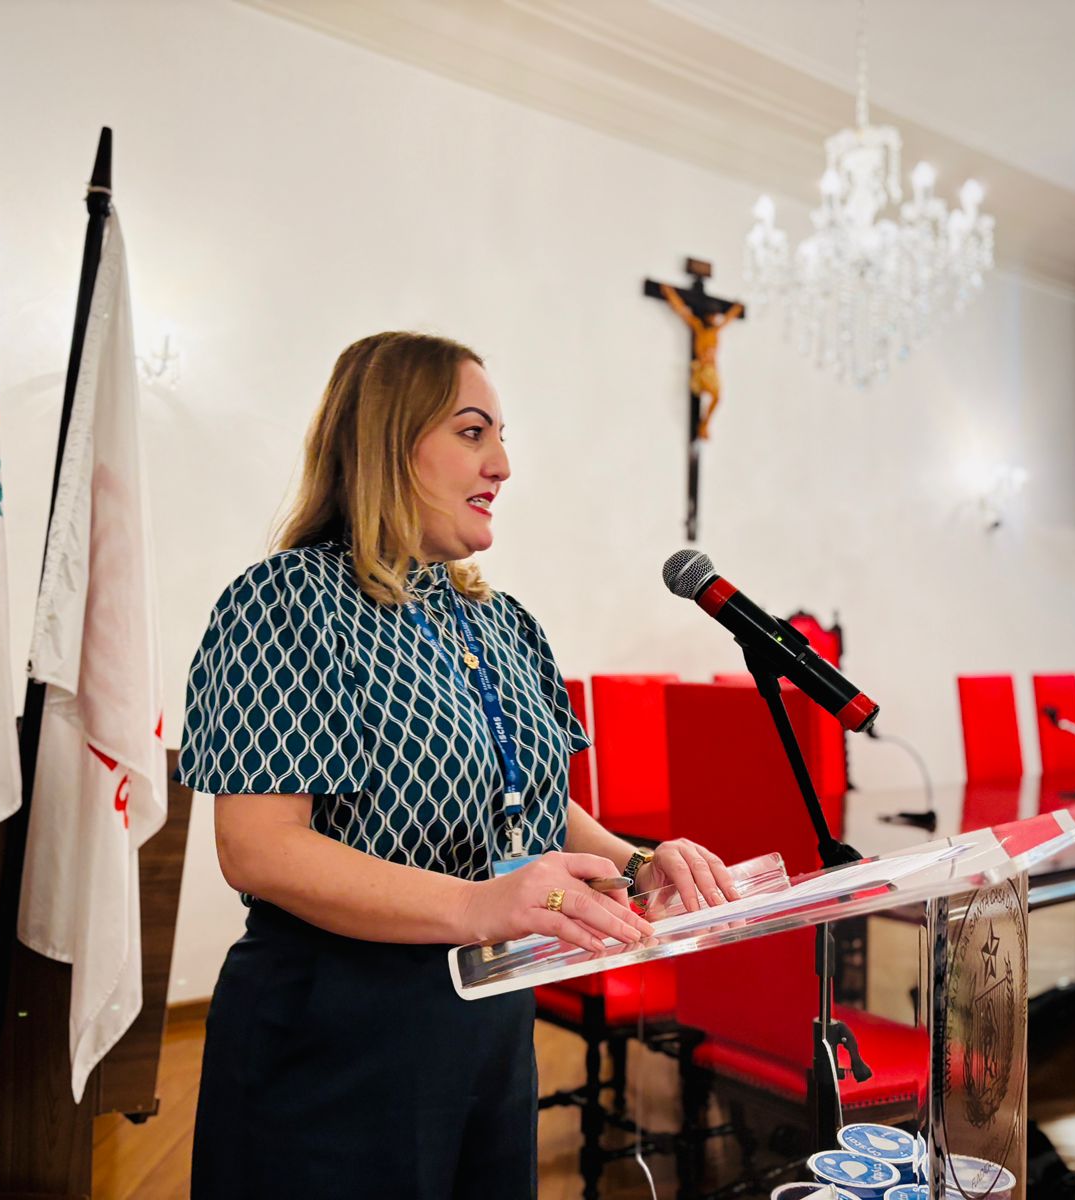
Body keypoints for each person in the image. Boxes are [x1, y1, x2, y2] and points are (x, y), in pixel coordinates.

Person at [179, 331, 744, 1198]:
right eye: (473, 433)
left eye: (501, 437)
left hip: (490, 1008)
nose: (503, 466)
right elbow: (257, 848)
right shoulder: (288, 600)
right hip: (337, 1027)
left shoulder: (501, 621)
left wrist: (637, 864)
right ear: (386, 443)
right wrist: (477, 904)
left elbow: (532, 803)